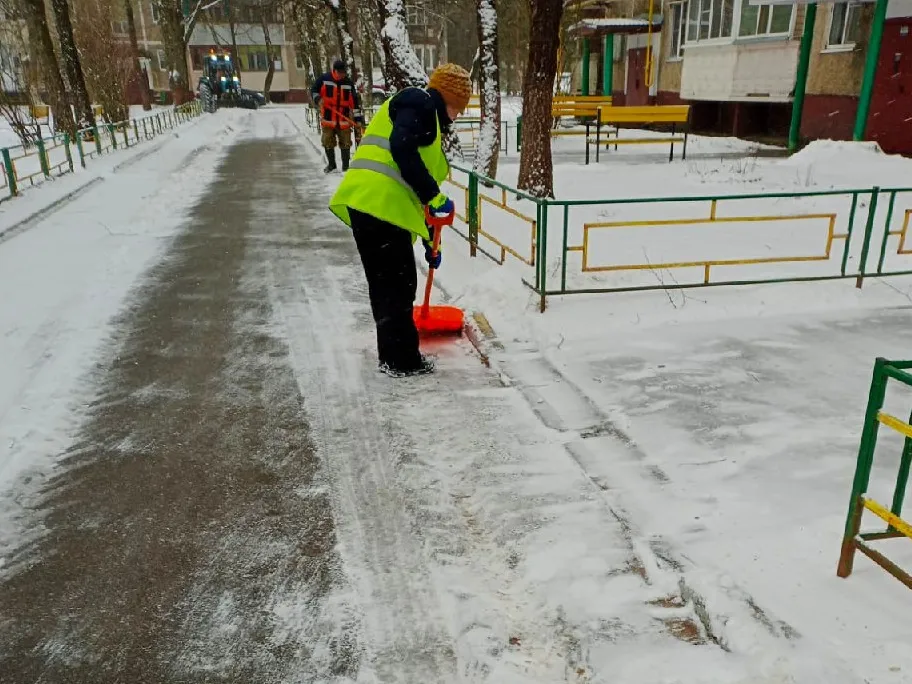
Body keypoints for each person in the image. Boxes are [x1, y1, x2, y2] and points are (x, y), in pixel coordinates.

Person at [328, 63, 472, 377]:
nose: (458, 115)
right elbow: (402, 149)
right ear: (445, 97)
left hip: (368, 205)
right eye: (457, 107)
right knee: (397, 285)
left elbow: (417, 192)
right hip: (379, 206)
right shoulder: (417, 103)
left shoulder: (425, 121)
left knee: (386, 285)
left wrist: (428, 244)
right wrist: (434, 195)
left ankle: (393, 357)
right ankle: (402, 360)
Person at [311, 59, 362, 173]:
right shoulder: (324, 79)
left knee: (346, 143)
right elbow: (313, 90)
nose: (342, 75)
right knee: (327, 142)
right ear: (334, 71)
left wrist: (358, 120)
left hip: (344, 119)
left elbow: (355, 103)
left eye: (344, 73)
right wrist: (318, 99)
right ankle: (332, 165)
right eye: (340, 73)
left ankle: (345, 167)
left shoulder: (348, 83)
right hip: (328, 118)